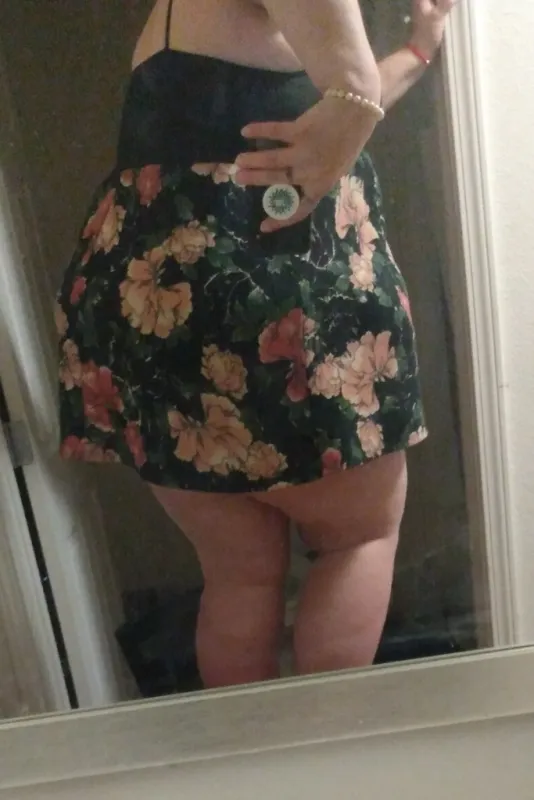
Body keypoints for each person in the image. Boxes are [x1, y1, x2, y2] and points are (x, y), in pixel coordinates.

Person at [55, 0, 458, 689]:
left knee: (239, 574)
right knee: (357, 538)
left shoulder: (191, 26)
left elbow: (337, 114)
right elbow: (352, 92)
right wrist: (364, 84)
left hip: (157, 310)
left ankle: (253, 755)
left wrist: (418, 51)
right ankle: (323, 752)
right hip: (273, 305)